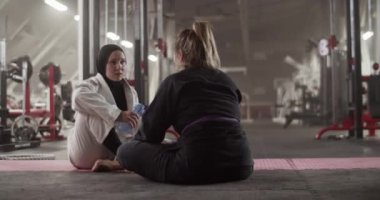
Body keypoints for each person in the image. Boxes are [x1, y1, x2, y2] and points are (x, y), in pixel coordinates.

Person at [95, 23, 253, 184]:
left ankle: (120, 160)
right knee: (183, 144)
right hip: (240, 164)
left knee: (126, 151)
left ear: (180, 56)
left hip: (196, 167)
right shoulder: (227, 81)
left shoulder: (175, 82)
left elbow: (150, 134)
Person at [67, 44, 140, 170]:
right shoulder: (92, 84)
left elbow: (133, 126)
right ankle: (125, 156)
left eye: (123, 62)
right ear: (102, 65)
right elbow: (77, 97)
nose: (119, 66)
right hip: (85, 153)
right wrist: (117, 114)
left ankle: (120, 159)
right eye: (113, 62)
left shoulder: (131, 92)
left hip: (110, 154)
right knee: (92, 109)